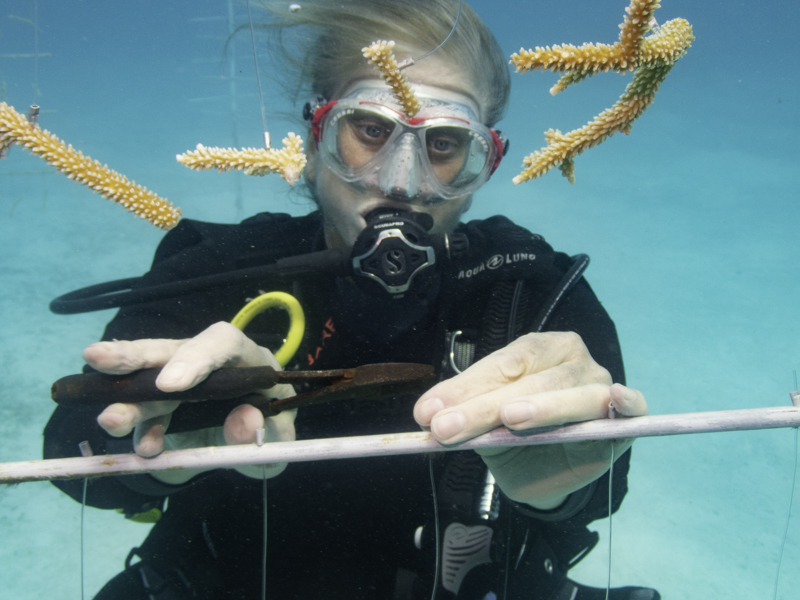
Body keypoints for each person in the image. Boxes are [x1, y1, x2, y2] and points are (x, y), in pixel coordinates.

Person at [44, 1, 659, 598]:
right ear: (315, 137)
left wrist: (555, 485)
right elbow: (69, 451)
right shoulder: (221, 272)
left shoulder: (532, 292)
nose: (402, 180)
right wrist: (164, 442)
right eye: (370, 131)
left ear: (485, 163)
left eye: (444, 145)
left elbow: (607, 483)